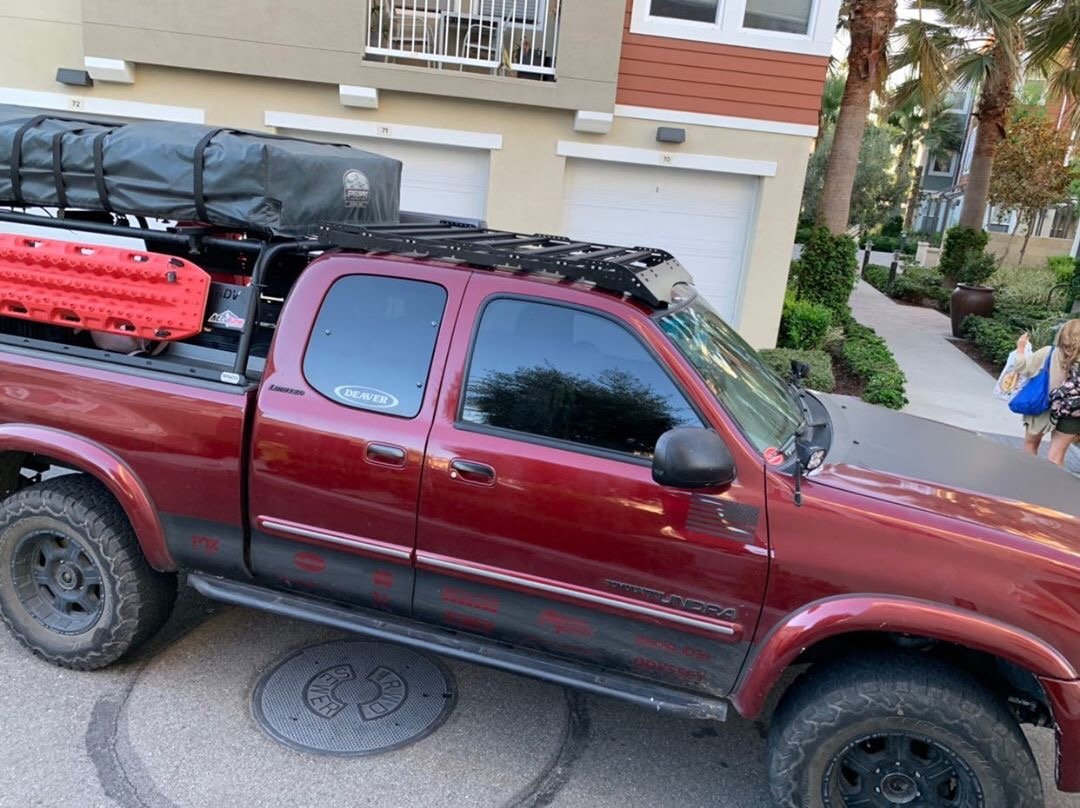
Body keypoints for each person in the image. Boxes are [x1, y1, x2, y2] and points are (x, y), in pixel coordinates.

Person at [1015, 319, 1080, 467]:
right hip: (1073, 411)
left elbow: (1021, 367)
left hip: (1044, 407)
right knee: (1056, 456)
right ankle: (1051, 486)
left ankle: (1029, 480)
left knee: (1031, 445)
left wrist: (1020, 348)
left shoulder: (1049, 352)